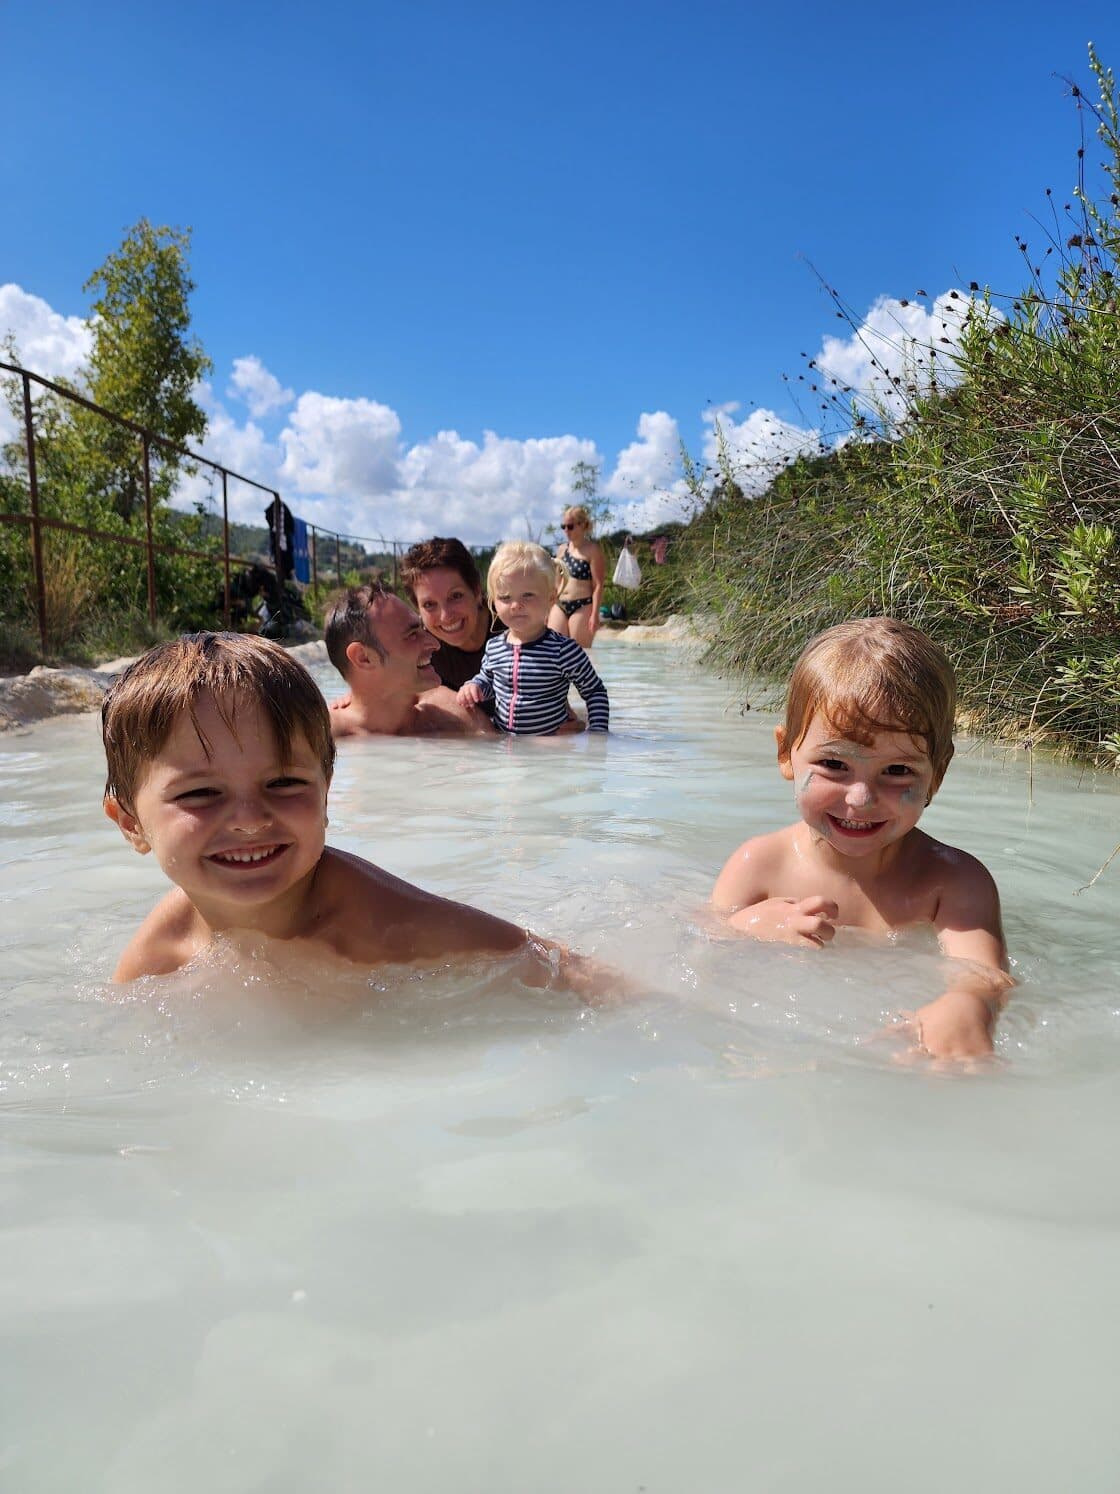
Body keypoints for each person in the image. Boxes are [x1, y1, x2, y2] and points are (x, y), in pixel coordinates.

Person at [100, 632, 596, 987]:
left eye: (284, 783)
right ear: (131, 823)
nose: (249, 819)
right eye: (201, 794)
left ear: (325, 792)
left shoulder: (383, 921)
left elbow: (554, 967)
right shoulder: (156, 958)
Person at [711, 617, 1011, 1060]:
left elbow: (985, 975)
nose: (861, 797)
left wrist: (966, 1003)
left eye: (897, 771)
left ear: (937, 775)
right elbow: (697, 949)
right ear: (785, 754)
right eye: (834, 764)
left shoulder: (953, 882)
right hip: (777, 1054)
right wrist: (743, 927)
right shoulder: (760, 864)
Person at [459, 542, 609, 735]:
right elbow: (489, 681)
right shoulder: (494, 647)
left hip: (549, 748)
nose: (515, 605)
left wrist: (597, 731)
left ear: (551, 598)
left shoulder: (563, 650)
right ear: (493, 601)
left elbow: (594, 691)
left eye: (527, 595)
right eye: (505, 597)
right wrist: (474, 686)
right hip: (507, 745)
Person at [323, 583, 493, 738]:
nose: (435, 644)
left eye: (422, 629)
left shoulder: (454, 714)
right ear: (364, 658)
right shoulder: (321, 737)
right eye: (412, 635)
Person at [400, 537, 503, 691]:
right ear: (418, 609)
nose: (446, 616)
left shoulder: (512, 620)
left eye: (455, 596)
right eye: (429, 605)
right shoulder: (423, 650)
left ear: (475, 590)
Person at [549, 505, 605, 649]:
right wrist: (548, 606)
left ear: (583, 525)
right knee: (554, 650)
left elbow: (598, 585)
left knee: (580, 653)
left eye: (570, 526)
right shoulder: (562, 549)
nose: (566, 530)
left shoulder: (592, 550)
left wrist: (595, 614)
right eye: (564, 526)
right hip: (560, 604)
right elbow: (557, 581)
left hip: (582, 605)